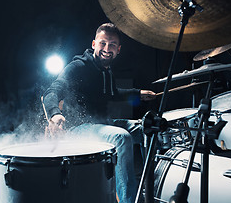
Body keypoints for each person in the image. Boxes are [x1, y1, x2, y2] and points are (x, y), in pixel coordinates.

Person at [42, 23, 156, 203]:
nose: (107, 49)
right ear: (94, 44)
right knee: (121, 137)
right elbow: (52, 90)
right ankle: (129, 201)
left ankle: (150, 193)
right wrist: (54, 114)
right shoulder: (79, 66)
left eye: (112, 45)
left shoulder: (105, 71)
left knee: (150, 128)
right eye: (103, 43)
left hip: (104, 124)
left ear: (118, 50)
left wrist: (138, 93)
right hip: (79, 129)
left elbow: (113, 92)